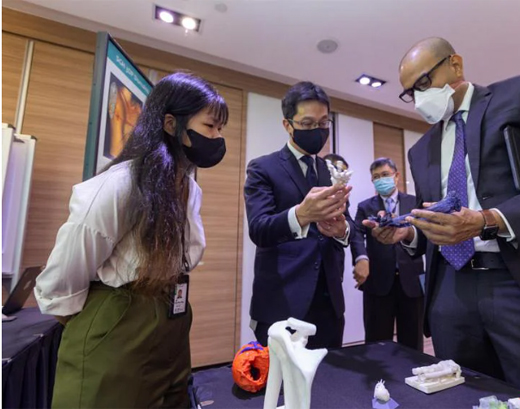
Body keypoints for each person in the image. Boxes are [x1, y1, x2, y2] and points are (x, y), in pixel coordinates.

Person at [364, 37, 520, 408]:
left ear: (455, 65)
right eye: (409, 93)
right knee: (469, 397)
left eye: (423, 83)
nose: (418, 99)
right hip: (453, 292)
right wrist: (407, 232)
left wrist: (489, 220)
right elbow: (437, 216)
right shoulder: (422, 151)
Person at [34, 72, 228, 408]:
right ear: (171, 124)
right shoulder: (120, 185)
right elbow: (65, 271)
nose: (217, 137)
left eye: (220, 129)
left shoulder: (188, 189)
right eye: (210, 127)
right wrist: (98, 321)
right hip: (120, 318)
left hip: (172, 317)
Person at [244, 81, 352, 349]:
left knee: (331, 385)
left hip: (329, 303)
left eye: (324, 122)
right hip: (282, 302)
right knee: (280, 388)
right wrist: (301, 215)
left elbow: (346, 225)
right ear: (287, 125)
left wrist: (341, 231)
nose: (317, 131)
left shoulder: (331, 172)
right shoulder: (263, 168)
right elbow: (259, 229)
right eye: (307, 124)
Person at [351, 157, 425, 351]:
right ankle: (377, 378)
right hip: (378, 281)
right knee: (377, 341)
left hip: (412, 280)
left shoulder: (415, 203)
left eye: (385, 175)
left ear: (396, 176)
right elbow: (356, 235)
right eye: (376, 177)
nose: (380, 179)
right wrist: (361, 258)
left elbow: (425, 235)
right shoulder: (365, 207)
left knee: (413, 341)